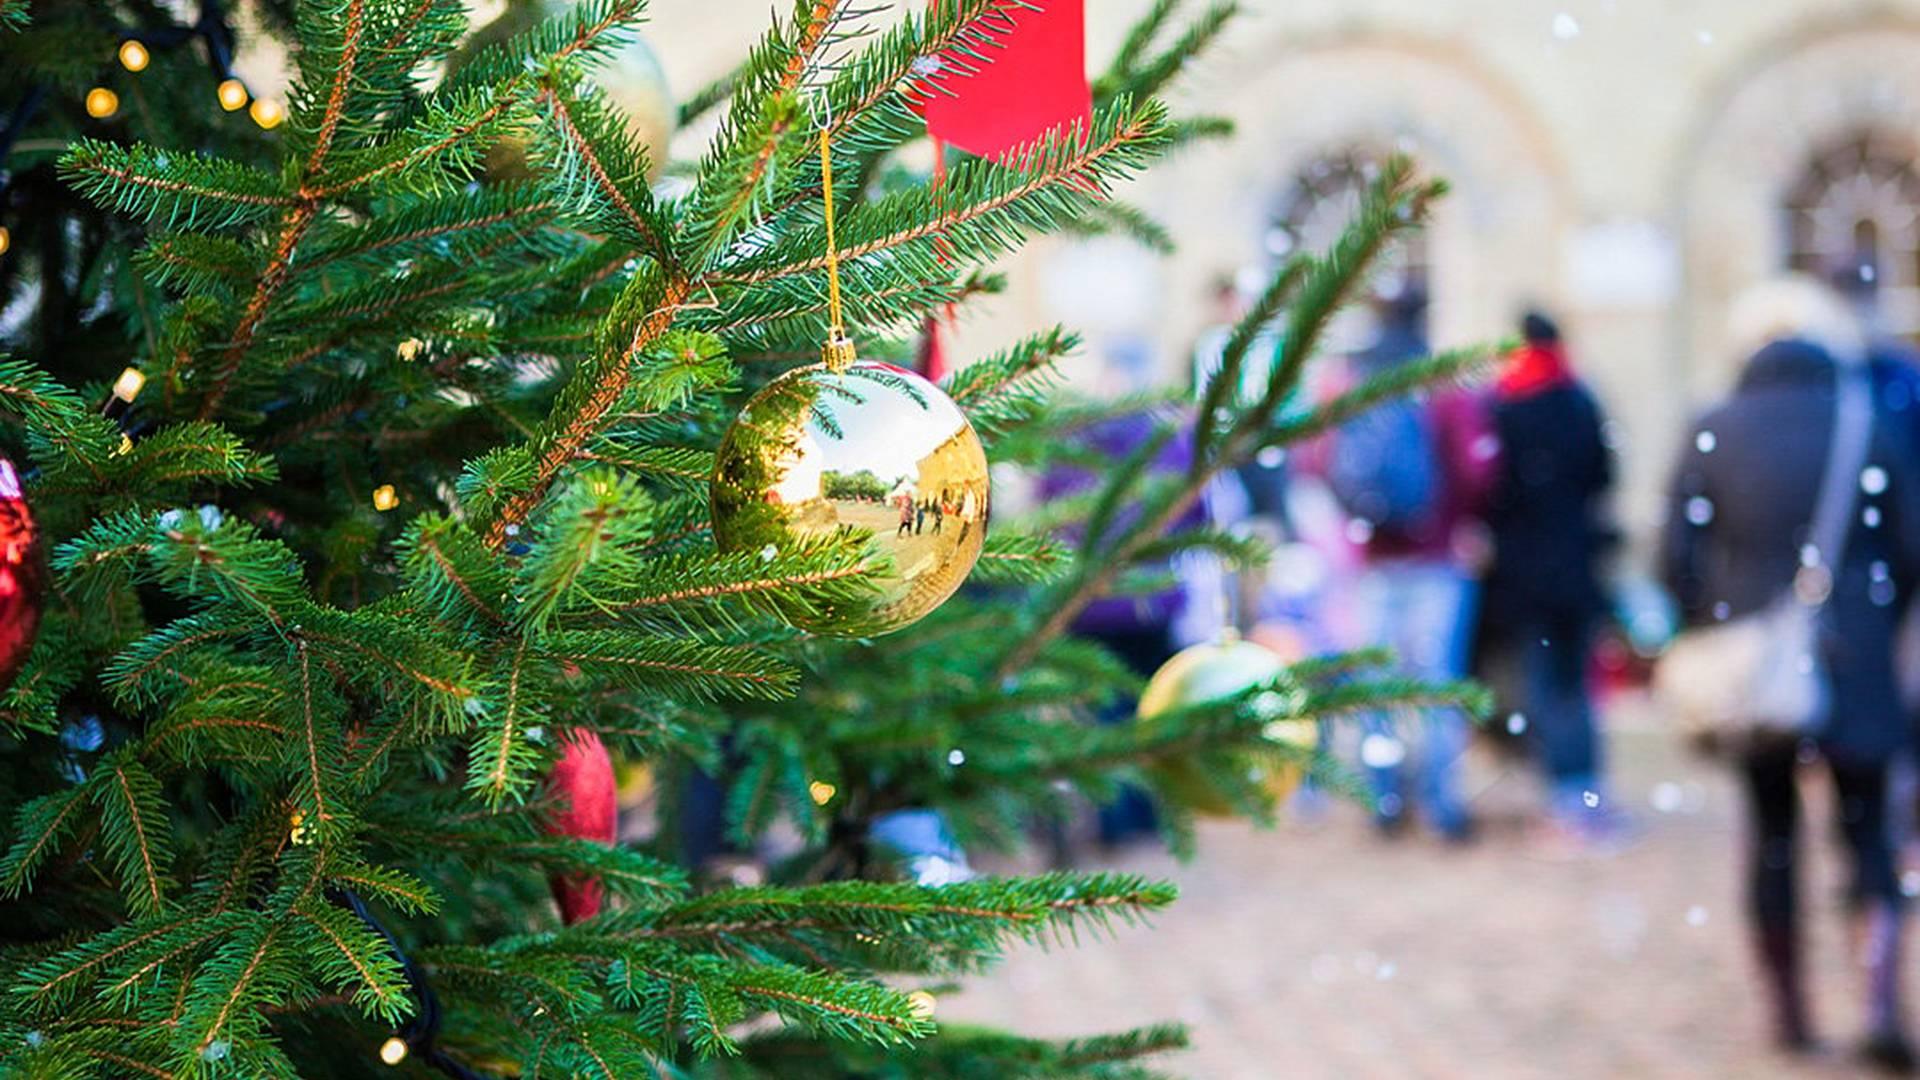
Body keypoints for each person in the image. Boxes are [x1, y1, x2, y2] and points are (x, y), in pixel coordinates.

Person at [1661, 276, 1920, 1070]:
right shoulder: (1862, 421)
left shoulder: (1715, 427)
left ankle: (1790, 1012)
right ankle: (1878, 998)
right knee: (1869, 829)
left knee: (1772, 832)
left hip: (1757, 668)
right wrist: (1871, 620)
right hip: (1858, 654)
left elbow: (1677, 557)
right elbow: (1910, 551)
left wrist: (1721, 620)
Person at [1317, 288, 1497, 841]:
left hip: (1370, 558)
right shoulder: (1443, 384)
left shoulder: (1354, 381)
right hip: (1436, 556)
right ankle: (1443, 806)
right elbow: (1475, 468)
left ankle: (1384, 797)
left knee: (1377, 684)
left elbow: (1321, 459)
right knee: (1437, 686)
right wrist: (1459, 517)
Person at [1479, 311, 1619, 843]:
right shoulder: (1578, 400)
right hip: (1576, 565)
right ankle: (1584, 791)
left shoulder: (1504, 404)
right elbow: (1604, 476)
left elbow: (1491, 487)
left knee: (1542, 683)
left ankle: (1563, 795)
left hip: (1525, 571)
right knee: (1577, 684)